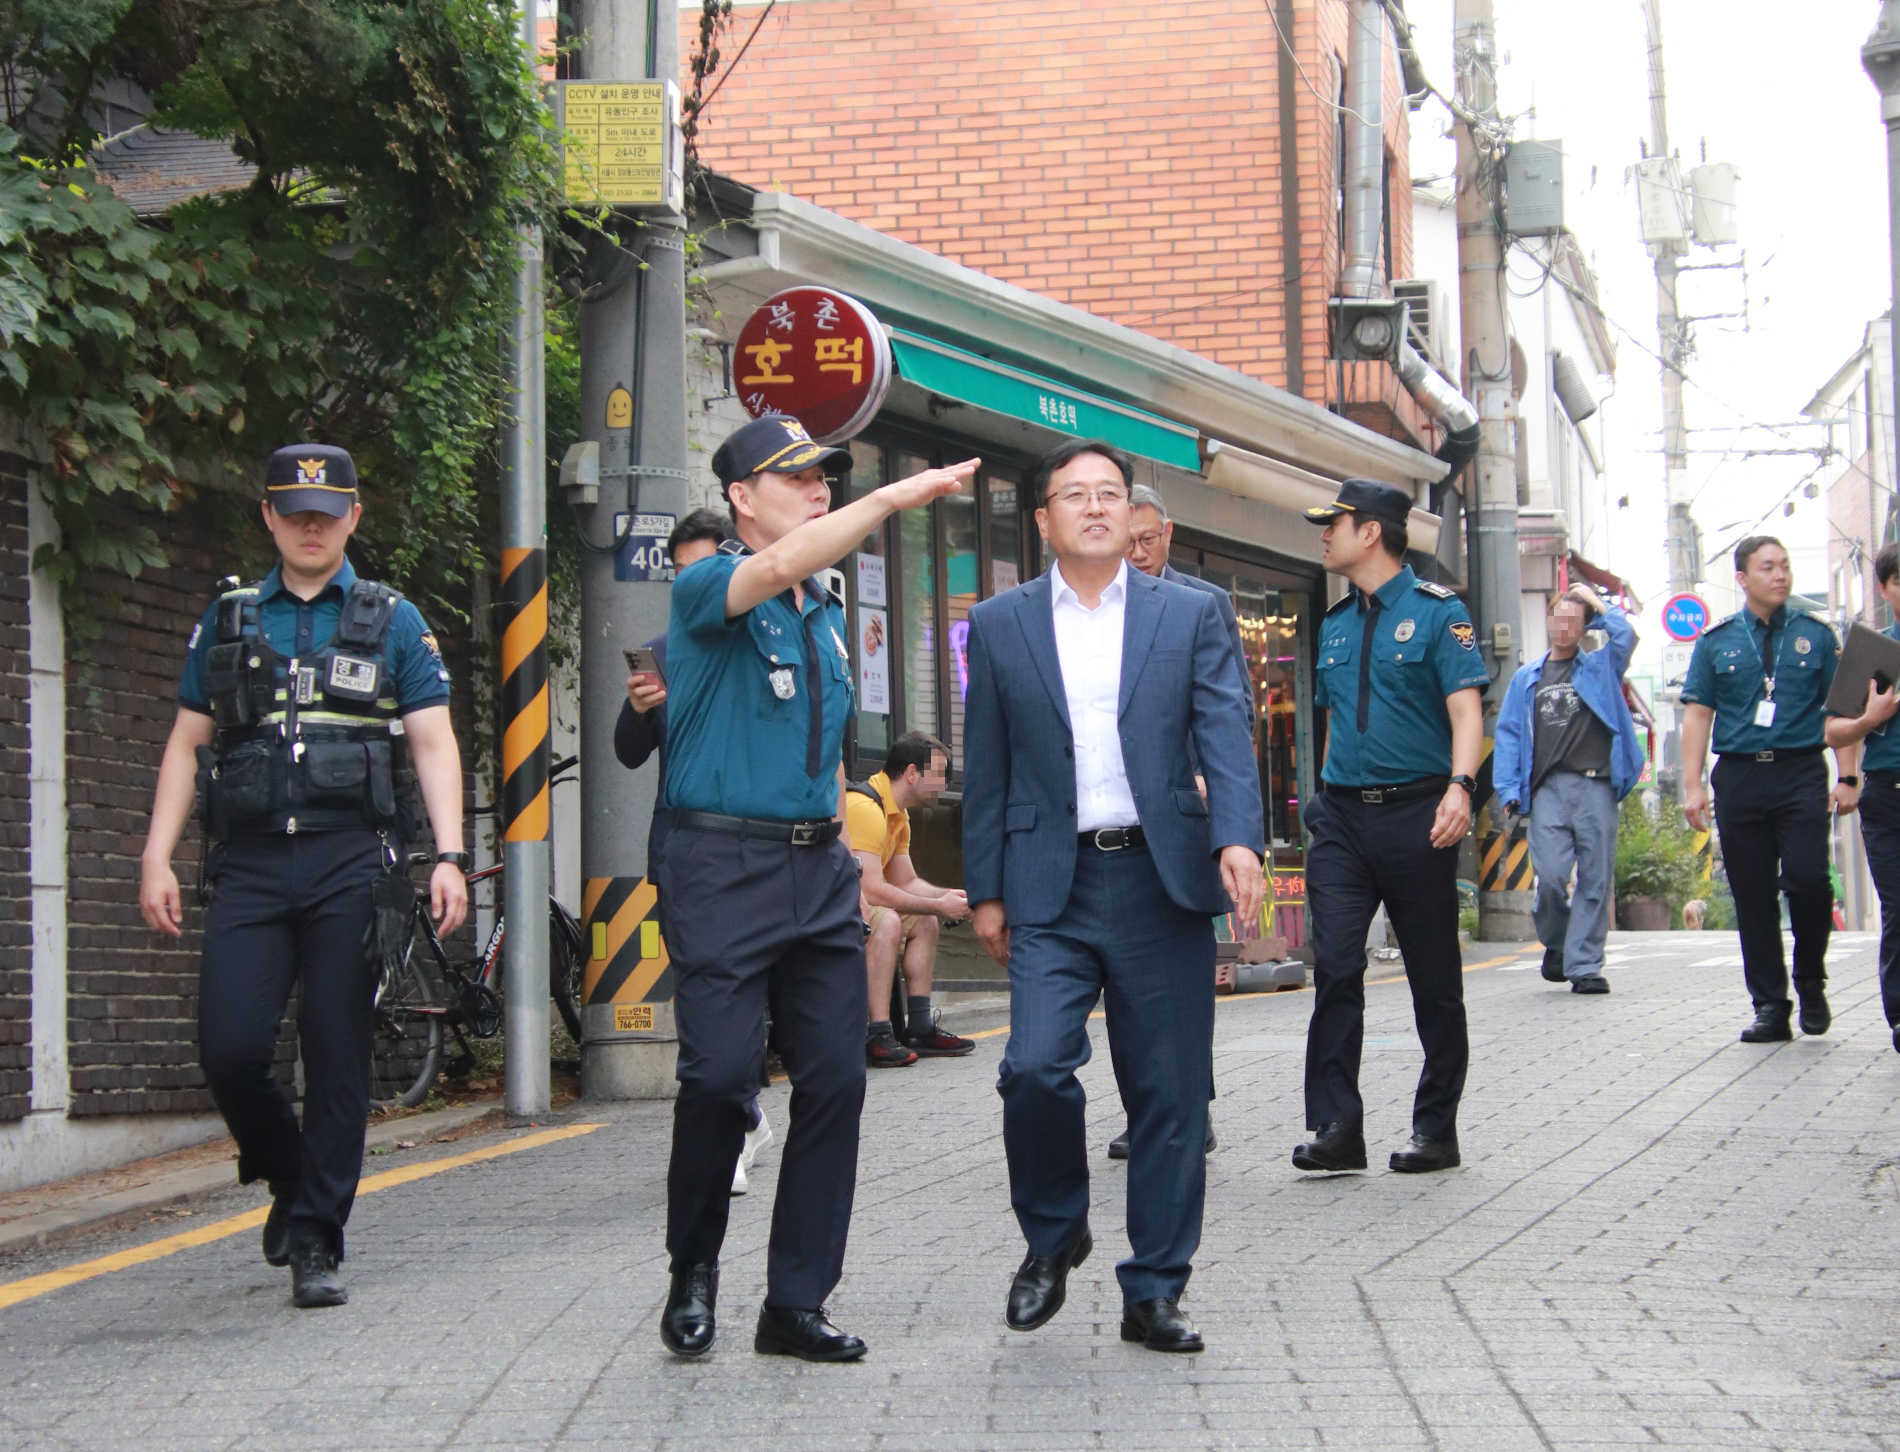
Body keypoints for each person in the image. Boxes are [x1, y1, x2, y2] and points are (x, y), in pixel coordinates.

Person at [656, 414, 973, 1362]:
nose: (818, 488)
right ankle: (693, 1267)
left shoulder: (826, 615)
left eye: (826, 477)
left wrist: (845, 859)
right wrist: (895, 496)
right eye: (795, 477)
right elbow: (777, 565)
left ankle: (794, 1302)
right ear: (740, 498)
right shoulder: (709, 585)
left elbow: (826, 758)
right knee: (720, 1080)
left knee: (836, 1080)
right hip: (721, 865)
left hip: (815, 871)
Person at [137, 443, 469, 1309]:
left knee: (334, 1047)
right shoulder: (229, 618)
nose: (310, 528)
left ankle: (318, 1235)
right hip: (250, 865)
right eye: (294, 514)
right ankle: (289, 1174)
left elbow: (433, 742)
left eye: (326, 514)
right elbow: (188, 740)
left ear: (353, 516)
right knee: (230, 1048)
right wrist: (156, 853)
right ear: (269, 518)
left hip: (349, 863)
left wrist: (449, 856)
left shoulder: (394, 620)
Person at [963, 438, 1264, 1355]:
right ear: (1043, 518)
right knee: (1033, 1069)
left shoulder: (1191, 613)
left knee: (1169, 1095)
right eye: (1075, 495)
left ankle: (1156, 1289)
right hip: (1047, 883)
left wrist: (1239, 839)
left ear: (1133, 515)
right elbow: (987, 765)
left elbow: (1225, 730)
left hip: (1159, 877)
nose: (1095, 507)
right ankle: (1055, 1236)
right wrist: (985, 890)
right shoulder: (1000, 622)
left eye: (1110, 493)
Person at [1292, 478, 1487, 1178]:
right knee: (1336, 967)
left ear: (1370, 532)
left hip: (1418, 815)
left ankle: (1436, 1129)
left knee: (1433, 980)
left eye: (1335, 523)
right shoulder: (1335, 622)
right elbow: (1335, 720)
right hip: (1343, 820)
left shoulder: (1440, 614)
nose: (1325, 534)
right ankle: (1337, 1127)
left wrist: (1461, 788)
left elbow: (1467, 713)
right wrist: (1321, 800)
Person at [616, 508, 774, 1196]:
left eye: (704, 568)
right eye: (679, 572)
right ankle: (733, 1128)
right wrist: (639, 709)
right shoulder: (662, 650)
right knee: (704, 999)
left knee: (748, 996)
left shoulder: (762, 641)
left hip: (765, 850)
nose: (691, 583)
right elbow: (628, 754)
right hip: (685, 854)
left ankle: (743, 1111)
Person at [1107, 482, 1253, 1160]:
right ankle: (1142, 1109)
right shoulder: (1096, 602)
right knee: (1122, 975)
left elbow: (1230, 709)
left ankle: (1192, 1104)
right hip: (1112, 814)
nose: (1137, 553)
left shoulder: (1205, 603)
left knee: (1181, 972)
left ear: (1168, 534)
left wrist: (1207, 784)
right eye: (1127, 541)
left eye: (1147, 540)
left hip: (1182, 809)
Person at [1681, 535, 1857, 1043]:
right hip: (1739, 776)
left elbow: (1843, 708)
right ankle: (1770, 1006)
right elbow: (1698, 714)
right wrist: (1693, 785)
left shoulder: (1816, 634)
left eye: (1785, 565)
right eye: (1767, 567)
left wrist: (1848, 775)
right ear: (1742, 578)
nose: (1780, 575)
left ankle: (1811, 980)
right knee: (1752, 894)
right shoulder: (1716, 641)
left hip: (1800, 772)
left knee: (1808, 879)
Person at [1492, 584, 1644, 995]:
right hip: (1548, 790)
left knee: (1595, 879)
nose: (1565, 626)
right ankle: (1559, 943)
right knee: (1552, 878)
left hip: (1597, 785)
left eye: (1576, 620)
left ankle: (1585, 966)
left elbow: (1627, 636)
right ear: (1548, 621)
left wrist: (1596, 603)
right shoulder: (1527, 677)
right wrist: (1508, 788)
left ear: (1585, 628)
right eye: (1559, 616)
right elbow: (1509, 734)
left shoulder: (1601, 667)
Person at [846, 731, 976, 1067]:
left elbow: (906, 882)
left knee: (924, 920)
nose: (944, 784)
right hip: (838, 907)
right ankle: (877, 1033)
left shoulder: (899, 815)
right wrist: (939, 905)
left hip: (862, 904)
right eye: (940, 774)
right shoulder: (865, 807)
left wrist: (952, 897)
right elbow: (871, 889)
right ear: (912, 773)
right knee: (888, 920)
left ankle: (919, 1027)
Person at [1827, 541, 1900, 1056]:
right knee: (1899, 908)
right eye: (1899, 581)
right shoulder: (1873, 652)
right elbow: (1834, 730)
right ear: (1883, 589)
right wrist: (1871, 719)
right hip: (1888, 793)